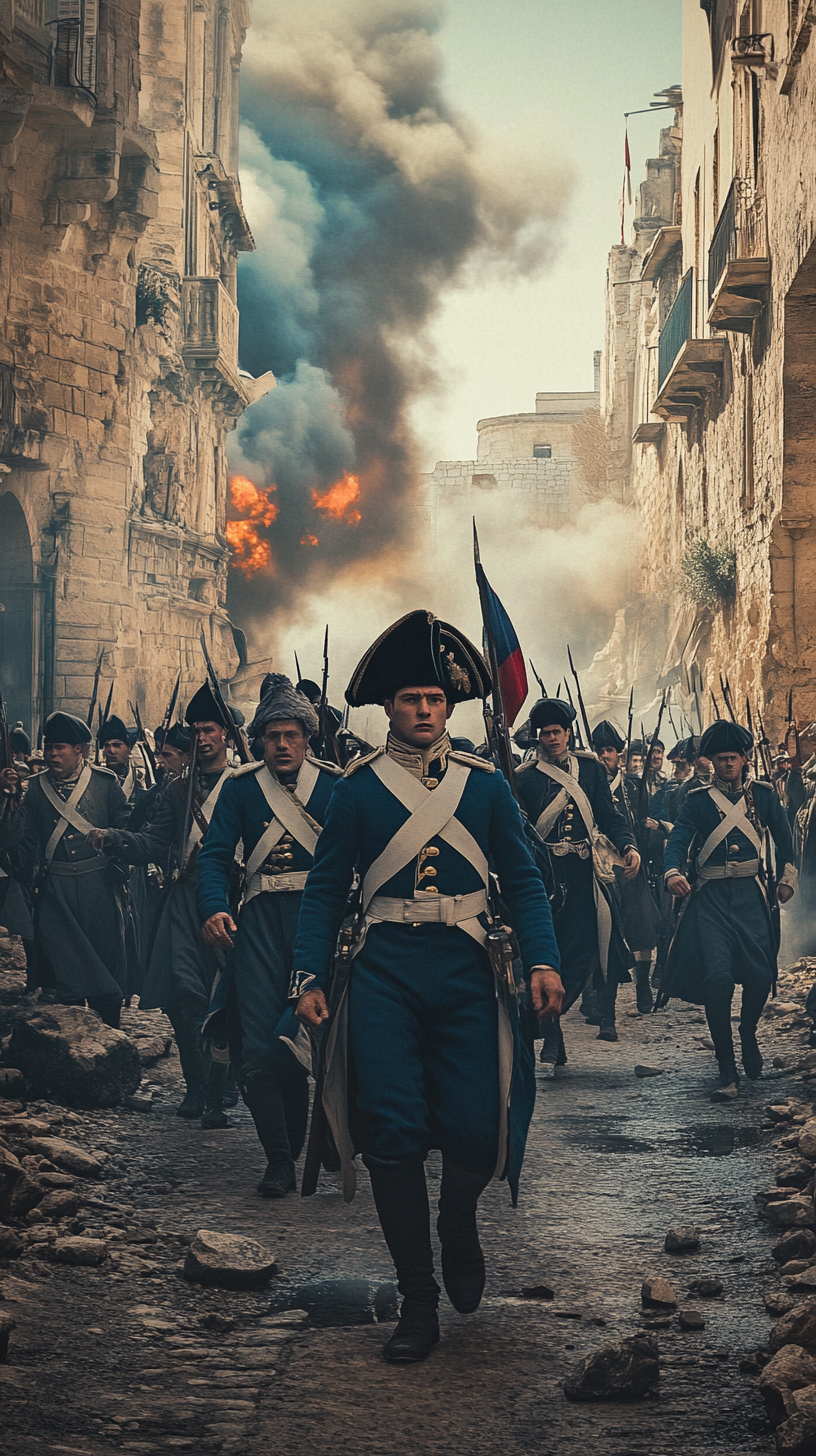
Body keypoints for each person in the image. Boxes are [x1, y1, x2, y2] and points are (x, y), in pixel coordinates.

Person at [292, 610, 562, 1364]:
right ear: (388, 707)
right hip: (384, 973)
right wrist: (308, 974)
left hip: (469, 970)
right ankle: (418, 1297)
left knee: (480, 1129)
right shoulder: (355, 791)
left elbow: (525, 883)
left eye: (436, 700)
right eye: (412, 698)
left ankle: (458, 1222)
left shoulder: (483, 787)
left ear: (450, 707)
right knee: (393, 1136)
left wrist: (543, 960)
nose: (424, 710)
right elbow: (323, 891)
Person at [196, 677, 341, 1198]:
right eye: (272, 735)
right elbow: (213, 856)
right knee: (257, 1046)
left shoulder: (335, 787)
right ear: (258, 740)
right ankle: (279, 1159)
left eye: (292, 735)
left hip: (319, 924)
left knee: (312, 1042)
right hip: (257, 927)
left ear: (307, 739)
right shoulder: (239, 788)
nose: (281, 745)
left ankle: (326, 1134)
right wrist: (214, 907)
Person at [88, 683, 239, 1123]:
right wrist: (116, 839)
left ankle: (221, 1084)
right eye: (195, 731)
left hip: (236, 902)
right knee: (185, 1000)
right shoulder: (175, 791)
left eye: (209, 729)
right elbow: (154, 843)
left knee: (229, 1001)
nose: (202, 738)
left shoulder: (247, 785)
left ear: (226, 733)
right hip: (184, 902)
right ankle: (200, 1091)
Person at [659, 720, 796, 1099]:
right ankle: (726, 1067)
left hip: (752, 897)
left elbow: (787, 843)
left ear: (745, 759)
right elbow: (679, 840)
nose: (727, 765)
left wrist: (787, 878)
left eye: (733, 758)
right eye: (720, 759)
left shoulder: (765, 796)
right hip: (711, 900)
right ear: (712, 762)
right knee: (717, 979)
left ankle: (748, 1032)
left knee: (757, 977)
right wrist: (672, 871)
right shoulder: (698, 801)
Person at [510, 698, 638, 1065]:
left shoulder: (591, 770)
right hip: (545, 880)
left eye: (557, 732)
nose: (551, 738)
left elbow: (609, 816)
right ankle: (552, 1033)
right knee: (551, 953)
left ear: (568, 733)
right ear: (537, 737)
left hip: (585, 875)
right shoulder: (524, 777)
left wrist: (628, 845)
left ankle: (573, 1014)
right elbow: (519, 832)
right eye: (545, 733)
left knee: (595, 944)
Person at [0, 711, 131, 1026]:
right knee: (67, 977)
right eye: (49, 748)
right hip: (55, 894)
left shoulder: (105, 783)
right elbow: (13, 842)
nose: (52, 754)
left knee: (105, 969)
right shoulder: (31, 788)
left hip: (98, 889)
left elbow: (126, 834)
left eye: (60, 747)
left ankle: (110, 1034)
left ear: (81, 750)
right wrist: (9, 802)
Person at [591, 720, 661, 1013]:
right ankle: (593, 996)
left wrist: (644, 849)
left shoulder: (634, 785)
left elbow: (646, 822)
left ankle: (642, 985)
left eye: (609, 750)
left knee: (641, 930)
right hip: (597, 868)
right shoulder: (587, 784)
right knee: (598, 932)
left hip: (630, 866)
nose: (604, 756)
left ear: (618, 754)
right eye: (599, 750)